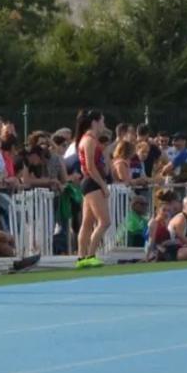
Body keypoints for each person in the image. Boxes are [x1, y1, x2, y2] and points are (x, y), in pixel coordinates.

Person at [74, 109, 111, 268]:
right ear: (95, 122)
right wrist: (103, 185)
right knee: (104, 221)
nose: (103, 125)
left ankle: (82, 257)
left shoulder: (91, 140)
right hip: (92, 183)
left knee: (87, 222)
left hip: (91, 182)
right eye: (102, 121)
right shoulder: (89, 140)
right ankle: (90, 254)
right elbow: (89, 166)